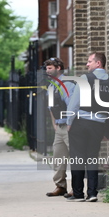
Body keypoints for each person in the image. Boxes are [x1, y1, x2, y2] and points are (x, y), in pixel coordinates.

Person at [66, 52, 109, 202]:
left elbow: (74, 103)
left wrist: (69, 122)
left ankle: (78, 194)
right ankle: (92, 193)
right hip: (99, 125)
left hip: (81, 122)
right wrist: (108, 129)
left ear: (98, 63)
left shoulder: (85, 79)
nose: (87, 64)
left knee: (77, 158)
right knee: (92, 158)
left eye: (90, 61)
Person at [44, 57, 75, 197]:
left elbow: (73, 106)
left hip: (70, 127)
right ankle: (60, 186)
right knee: (58, 157)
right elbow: (51, 107)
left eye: (50, 68)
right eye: (46, 68)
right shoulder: (51, 86)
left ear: (58, 68)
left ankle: (76, 187)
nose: (47, 70)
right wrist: (54, 123)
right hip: (59, 127)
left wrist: (70, 124)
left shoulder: (67, 85)